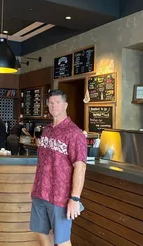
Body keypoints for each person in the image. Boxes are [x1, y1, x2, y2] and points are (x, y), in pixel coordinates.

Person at [30, 90, 87, 246]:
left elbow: (80, 167)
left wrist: (75, 198)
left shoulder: (74, 133)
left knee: (61, 240)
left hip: (60, 196)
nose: (54, 106)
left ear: (65, 105)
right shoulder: (47, 130)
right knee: (39, 231)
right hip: (40, 192)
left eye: (58, 102)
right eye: (51, 103)